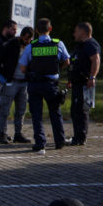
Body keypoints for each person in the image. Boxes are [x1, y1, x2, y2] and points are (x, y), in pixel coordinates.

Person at [17, 17, 71, 152]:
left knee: (36, 115)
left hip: (35, 85)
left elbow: (22, 68)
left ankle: (40, 143)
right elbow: (67, 61)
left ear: (36, 30)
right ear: (50, 29)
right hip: (51, 84)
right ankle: (59, 141)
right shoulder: (58, 44)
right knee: (55, 113)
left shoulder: (31, 46)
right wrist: (57, 68)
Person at [0, 27, 35, 144]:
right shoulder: (10, 45)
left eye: (29, 39)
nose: (27, 41)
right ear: (21, 36)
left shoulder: (31, 47)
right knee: (4, 109)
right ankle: (1, 133)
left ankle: (18, 133)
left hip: (24, 83)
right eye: (26, 38)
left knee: (21, 110)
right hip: (11, 82)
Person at [66, 22, 101, 146]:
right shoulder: (80, 46)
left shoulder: (90, 44)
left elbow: (96, 60)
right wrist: (70, 79)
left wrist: (92, 77)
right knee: (75, 110)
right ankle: (77, 135)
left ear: (82, 32)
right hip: (76, 83)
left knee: (81, 110)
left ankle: (80, 138)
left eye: (76, 31)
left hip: (84, 83)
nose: (74, 34)